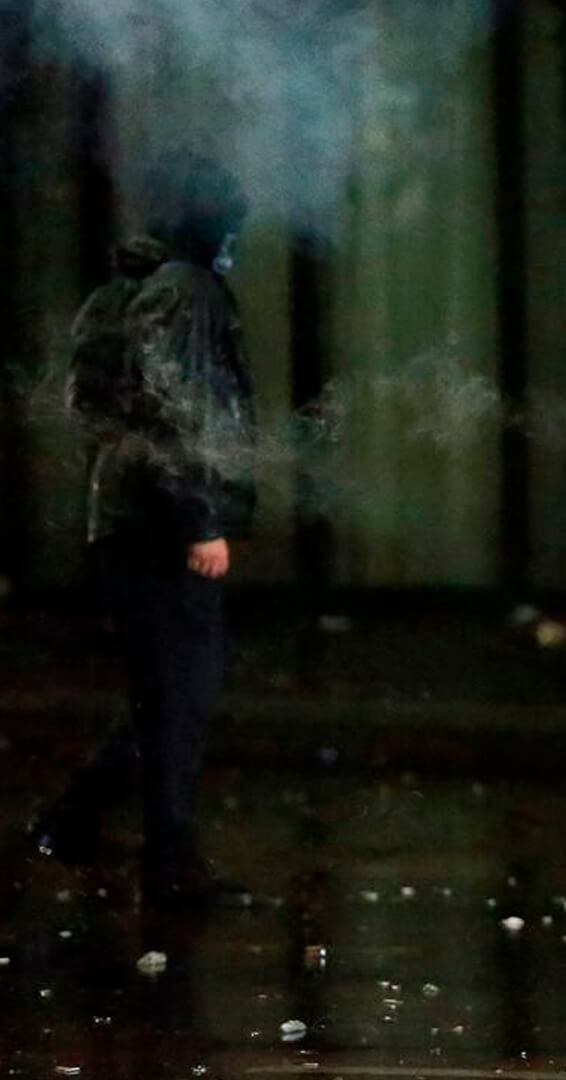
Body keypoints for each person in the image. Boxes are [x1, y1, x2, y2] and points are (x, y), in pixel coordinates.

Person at [25, 151, 256, 908]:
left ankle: (77, 823)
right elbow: (177, 406)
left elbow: (92, 406)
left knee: (162, 696)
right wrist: (199, 518)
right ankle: (166, 863)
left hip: (123, 520)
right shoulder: (186, 290)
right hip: (162, 527)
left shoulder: (116, 294)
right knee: (180, 699)